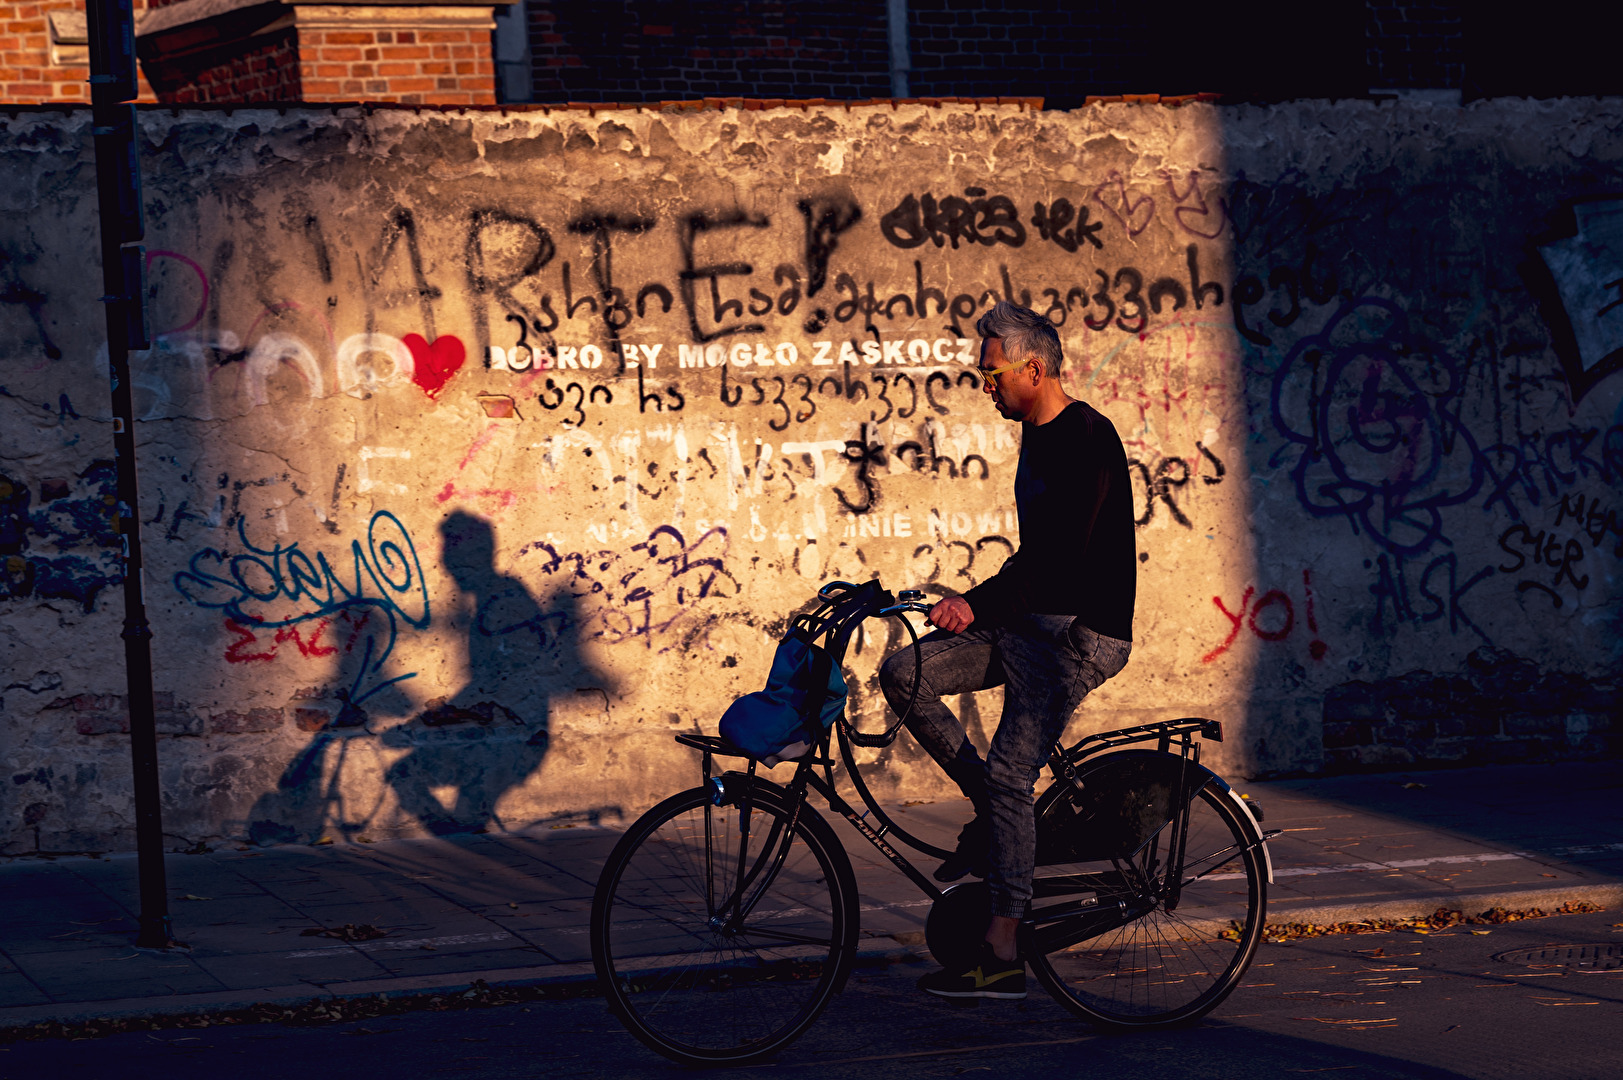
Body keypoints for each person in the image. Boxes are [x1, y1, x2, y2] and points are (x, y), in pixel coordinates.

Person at [879, 300, 1136, 999]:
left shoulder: (1086, 437)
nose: (982, 384)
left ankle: (999, 952)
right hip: (1031, 626)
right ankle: (998, 814)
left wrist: (976, 604)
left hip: (1079, 636)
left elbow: (1063, 561)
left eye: (990, 373)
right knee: (904, 670)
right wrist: (975, 603)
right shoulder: (1034, 434)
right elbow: (1033, 560)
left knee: (1008, 772)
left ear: (1033, 367)